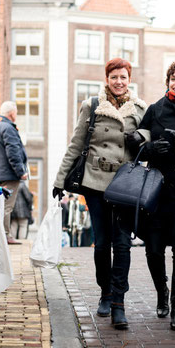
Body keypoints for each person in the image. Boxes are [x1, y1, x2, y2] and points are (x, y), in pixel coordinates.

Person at [52, 58, 147, 329]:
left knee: (123, 244)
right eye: (114, 77)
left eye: (123, 77)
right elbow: (76, 144)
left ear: (130, 79)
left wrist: (143, 137)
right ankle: (105, 292)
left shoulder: (140, 109)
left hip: (126, 185)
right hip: (95, 184)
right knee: (102, 243)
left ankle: (119, 302)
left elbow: (152, 134)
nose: (119, 81)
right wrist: (60, 180)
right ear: (107, 79)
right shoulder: (92, 106)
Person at [126, 60, 175, 331]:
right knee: (153, 249)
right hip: (157, 190)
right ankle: (161, 291)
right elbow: (137, 148)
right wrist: (151, 151)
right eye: (173, 77)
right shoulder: (155, 109)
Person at [0, 101, 28, 245]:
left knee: (1, 204)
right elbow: (13, 152)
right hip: (9, 174)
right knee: (7, 206)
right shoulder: (8, 128)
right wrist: (20, 172)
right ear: (12, 113)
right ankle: (5, 235)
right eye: (16, 112)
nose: (16, 115)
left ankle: (1, 234)